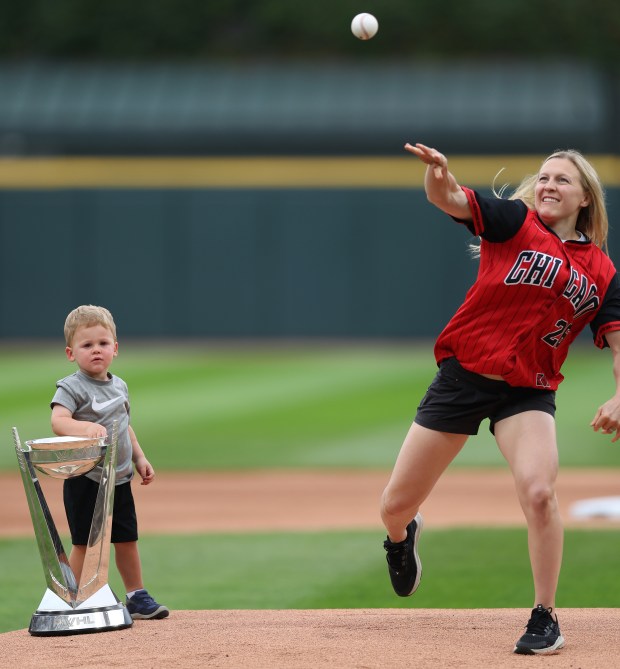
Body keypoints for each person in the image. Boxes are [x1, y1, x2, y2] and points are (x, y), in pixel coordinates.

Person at [380, 143, 620, 655]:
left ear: (584, 198)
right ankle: (402, 536)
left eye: (563, 179)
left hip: (529, 389)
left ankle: (545, 616)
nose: (550, 184)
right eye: (545, 176)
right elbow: (450, 200)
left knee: (539, 493)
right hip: (465, 377)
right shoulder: (515, 222)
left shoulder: (602, 271)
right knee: (394, 505)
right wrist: (439, 175)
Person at [51, 305, 169, 621]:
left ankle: (136, 596)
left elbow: (124, 424)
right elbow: (58, 421)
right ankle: (70, 599)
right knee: (84, 543)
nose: (96, 351)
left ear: (115, 348)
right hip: (86, 478)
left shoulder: (119, 386)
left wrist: (140, 457)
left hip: (119, 478)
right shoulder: (71, 386)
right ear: (70, 353)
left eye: (103, 344)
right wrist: (84, 427)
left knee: (126, 539)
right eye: (87, 345)